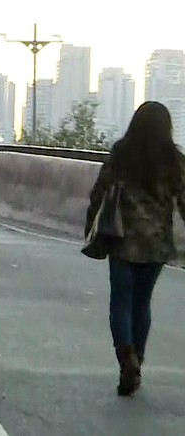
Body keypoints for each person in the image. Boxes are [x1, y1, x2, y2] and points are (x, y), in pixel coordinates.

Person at [85, 101, 185, 397]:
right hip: (156, 244)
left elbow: (99, 191)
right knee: (142, 303)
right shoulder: (175, 160)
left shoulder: (121, 154)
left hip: (122, 239)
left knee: (121, 302)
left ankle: (126, 358)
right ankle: (137, 360)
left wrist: (91, 226)